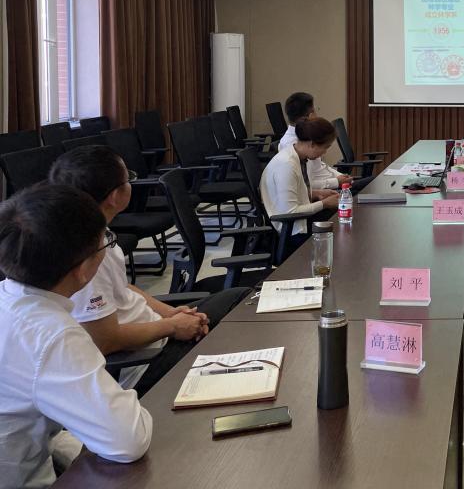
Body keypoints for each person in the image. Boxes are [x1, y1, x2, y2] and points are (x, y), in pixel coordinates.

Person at [49, 146, 249, 396]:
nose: (132, 183)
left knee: (241, 298)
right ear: (115, 196)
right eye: (128, 179)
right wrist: (172, 327)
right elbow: (105, 341)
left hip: (157, 331)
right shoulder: (85, 257)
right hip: (144, 364)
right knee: (237, 334)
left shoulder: (98, 232)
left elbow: (122, 288)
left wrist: (171, 313)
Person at [0, 184, 152, 488]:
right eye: (105, 241)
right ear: (83, 270)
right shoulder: (51, 335)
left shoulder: (12, 302)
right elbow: (129, 439)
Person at [261, 116, 340, 242]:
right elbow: (290, 212)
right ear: (312, 144)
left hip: (300, 221)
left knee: (345, 214)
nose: (324, 152)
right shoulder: (287, 165)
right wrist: (325, 203)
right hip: (292, 230)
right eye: (325, 147)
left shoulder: (298, 156)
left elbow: (294, 193)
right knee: (343, 227)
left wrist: (316, 193)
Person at [279, 92, 351, 190]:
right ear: (311, 116)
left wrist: (340, 176)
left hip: (333, 184)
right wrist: (336, 182)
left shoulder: (305, 137)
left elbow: (321, 167)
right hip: (327, 189)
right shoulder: (295, 145)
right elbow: (305, 184)